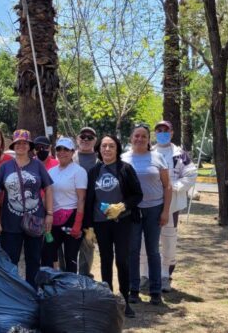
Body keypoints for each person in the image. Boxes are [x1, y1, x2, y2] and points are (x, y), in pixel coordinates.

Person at [85, 134, 143, 318]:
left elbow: (137, 195)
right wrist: (89, 227)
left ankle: (125, 302)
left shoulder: (126, 169)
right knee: (106, 260)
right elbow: (88, 201)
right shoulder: (94, 171)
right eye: (104, 146)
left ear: (117, 148)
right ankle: (109, 300)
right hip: (100, 224)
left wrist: (122, 206)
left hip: (122, 222)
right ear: (99, 150)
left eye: (111, 146)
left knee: (122, 261)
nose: (107, 149)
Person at [139, 120, 197, 292]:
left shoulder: (180, 154)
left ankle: (165, 275)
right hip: (148, 203)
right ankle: (145, 275)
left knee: (168, 238)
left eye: (166, 130)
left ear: (172, 132)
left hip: (171, 204)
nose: (162, 132)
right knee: (145, 239)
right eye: (159, 130)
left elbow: (191, 174)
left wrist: (173, 188)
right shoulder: (148, 152)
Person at [121, 124, 172, 305]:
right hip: (132, 211)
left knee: (153, 251)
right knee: (132, 250)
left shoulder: (157, 157)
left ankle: (155, 291)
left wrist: (165, 211)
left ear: (148, 139)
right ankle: (133, 289)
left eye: (143, 136)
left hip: (154, 209)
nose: (140, 139)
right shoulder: (123, 158)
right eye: (136, 136)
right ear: (131, 138)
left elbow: (167, 186)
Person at [0, 129, 54, 286]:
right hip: (10, 221)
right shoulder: (5, 167)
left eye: (25, 143)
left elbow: (48, 187)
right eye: (18, 143)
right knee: (10, 260)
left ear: (30, 146)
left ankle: (32, 293)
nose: (21, 146)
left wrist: (50, 213)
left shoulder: (38, 166)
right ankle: (13, 294)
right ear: (13, 146)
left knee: (34, 259)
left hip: (35, 220)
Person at [41, 137, 87, 273]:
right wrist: (43, 214)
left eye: (66, 149)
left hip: (72, 217)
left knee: (70, 257)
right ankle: (49, 286)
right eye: (59, 149)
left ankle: (71, 290)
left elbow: (81, 199)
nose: (62, 152)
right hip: (53, 219)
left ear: (73, 152)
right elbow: (46, 195)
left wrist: (78, 223)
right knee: (47, 254)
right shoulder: (51, 171)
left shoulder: (79, 171)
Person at [73, 126, 99, 277]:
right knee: (68, 245)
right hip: (70, 207)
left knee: (88, 245)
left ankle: (84, 276)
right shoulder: (68, 157)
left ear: (95, 141)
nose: (86, 140)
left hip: (92, 210)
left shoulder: (100, 160)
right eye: (83, 137)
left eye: (90, 138)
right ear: (77, 139)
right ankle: (68, 276)